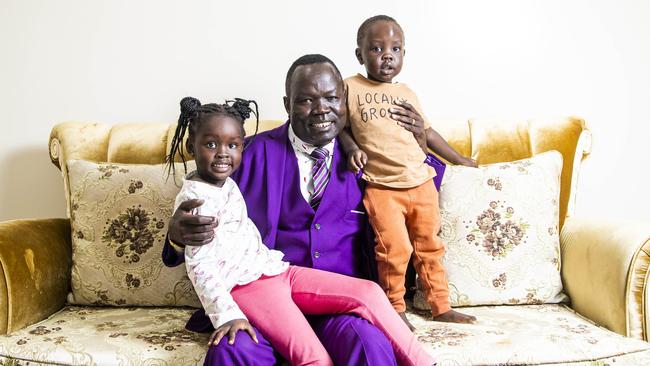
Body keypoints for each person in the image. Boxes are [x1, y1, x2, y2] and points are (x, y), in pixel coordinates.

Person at [163, 54, 413, 365]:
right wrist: (176, 236)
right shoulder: (241, 155)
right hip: (257, 306)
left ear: (343, 99)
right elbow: (196, 226)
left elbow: (416, 195)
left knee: (368, 344)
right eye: (306, 100)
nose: (321, 109)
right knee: (231, 349)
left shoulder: (372, 158)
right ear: (287, 104)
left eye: (331, 98)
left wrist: (422, 139)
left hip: (338, 309)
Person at [337, 15, 478, 330]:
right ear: (360, 55)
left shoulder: (407, 92)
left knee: (430, 244)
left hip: (421, 182)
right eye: (376, 48)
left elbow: (426, 132)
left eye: (395, 48)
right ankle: (393, 308)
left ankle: (441, 306)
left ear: (403, 54)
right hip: (382, 187)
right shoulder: (350, 86)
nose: (387, 55)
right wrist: (351, 149)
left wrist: (459, 158)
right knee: (394, 249)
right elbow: (341, 128)